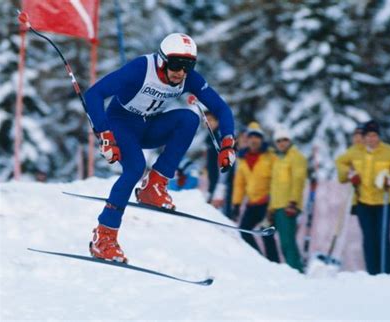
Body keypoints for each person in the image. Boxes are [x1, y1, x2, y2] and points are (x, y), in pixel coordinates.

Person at [84, 33, 236, 263]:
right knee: (135, 168)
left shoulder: (188, 78)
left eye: (188, 67)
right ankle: (103, 236)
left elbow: (222, 109)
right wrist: (105, 134)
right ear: (161, 60)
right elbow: (93, 94)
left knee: (188, 118)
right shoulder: (141, 68)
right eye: (175, 65)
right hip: (121, 123)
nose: (181, 73)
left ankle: (154, 185)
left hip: (148, 126)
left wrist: (227, 143)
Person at [335, 120, 390, 275]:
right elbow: (340, 162)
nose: (371, 139)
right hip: (363, 201)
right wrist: (350, 173)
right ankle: (373, 273)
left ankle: (389, 274)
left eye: (374, 135)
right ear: (364, 137)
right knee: (369, 239)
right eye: (368, 136)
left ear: (379, 136)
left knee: (382, 237)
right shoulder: (356, 151)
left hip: (384, 201)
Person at [232, 122, 280, 263]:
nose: (254, 140)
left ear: (261, 140)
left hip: (267, 202)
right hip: (252, 203)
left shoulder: (271, 157)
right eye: (251, 137)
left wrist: (273, 204)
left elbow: (276, 180)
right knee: (244, 231)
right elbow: (239, 184)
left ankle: (274, 264)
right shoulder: (243, 158)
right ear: (248, 140)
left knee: (267, 233)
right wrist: (236, 204)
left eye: (257, 137)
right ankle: (260, 261)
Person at [269, 127, 307, 272]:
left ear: (290, 141)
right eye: (279, 141)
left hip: (288, 205)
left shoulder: (296, 157)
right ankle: (292, 269)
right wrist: (271, 208)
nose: (282, 143)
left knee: (288, 241)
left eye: (285, 140)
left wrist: (293, 202)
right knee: (284, 241)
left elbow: (298, 180)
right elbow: (275, 185)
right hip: (278, 205)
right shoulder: (279, 159)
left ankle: (296, 269)